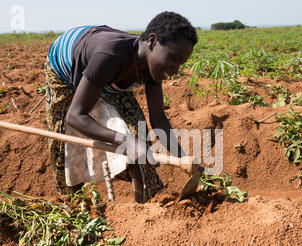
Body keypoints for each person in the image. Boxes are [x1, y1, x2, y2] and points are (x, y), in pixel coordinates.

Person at [45, 11, 198, 203]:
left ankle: (144, 205)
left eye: (181, 63)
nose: (176, 70)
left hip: (110, 77)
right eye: (174, 58)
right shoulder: (109, 56)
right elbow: (75, 116)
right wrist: (126, 140)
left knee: (138, 134)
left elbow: (158, 119)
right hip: (65, 67)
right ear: (152, 41)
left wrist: (186, 162)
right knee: (67, 142)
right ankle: (74, 202)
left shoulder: (153, 68)